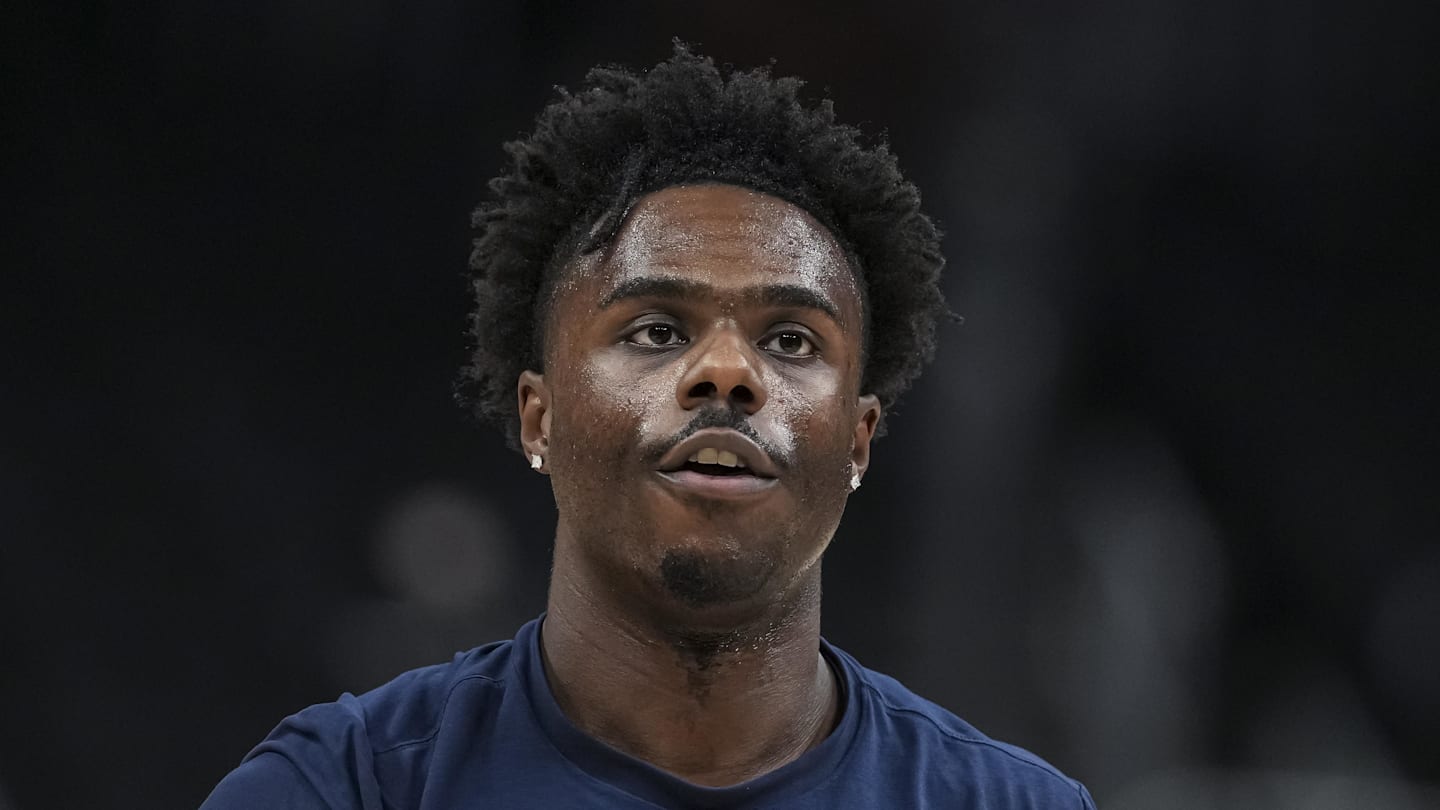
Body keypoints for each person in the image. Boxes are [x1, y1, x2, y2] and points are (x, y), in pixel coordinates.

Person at [200, 44, 1096, 809]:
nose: (729, 373)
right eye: (656, 330)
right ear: (537, 415)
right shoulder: (348, 788)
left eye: (790, 340)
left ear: (858, 440)